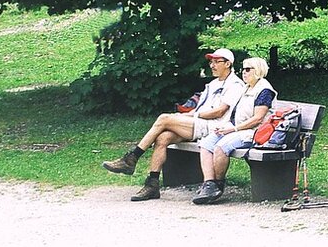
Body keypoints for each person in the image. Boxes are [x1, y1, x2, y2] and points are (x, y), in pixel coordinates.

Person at [103, 47, 246, 201]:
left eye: (217, 62)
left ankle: (131, 158)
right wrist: (184, 116)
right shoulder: (212, 84)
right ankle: (152, 183)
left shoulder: (235, 85)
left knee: (164, 118)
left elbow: (220, 112)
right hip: (199, 123)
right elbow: (199, 108)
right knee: (163, 138)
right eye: (211, 62)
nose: (212, 65)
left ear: (228, 64)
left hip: (214, 127)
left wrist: (190, 115)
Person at [191, 55, 277, 204]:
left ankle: (219, 184)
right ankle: (209, 184)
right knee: (206, 144)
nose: (244, 72)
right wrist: (226, 126)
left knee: (221, 147)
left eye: (248, 69)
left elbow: (257, 119)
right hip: (238, 128)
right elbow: (236, 115)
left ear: (258, 70)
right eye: (243, 69)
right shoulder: (246, 88)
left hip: (255, 132)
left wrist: (233, 129)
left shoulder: (264, 90)